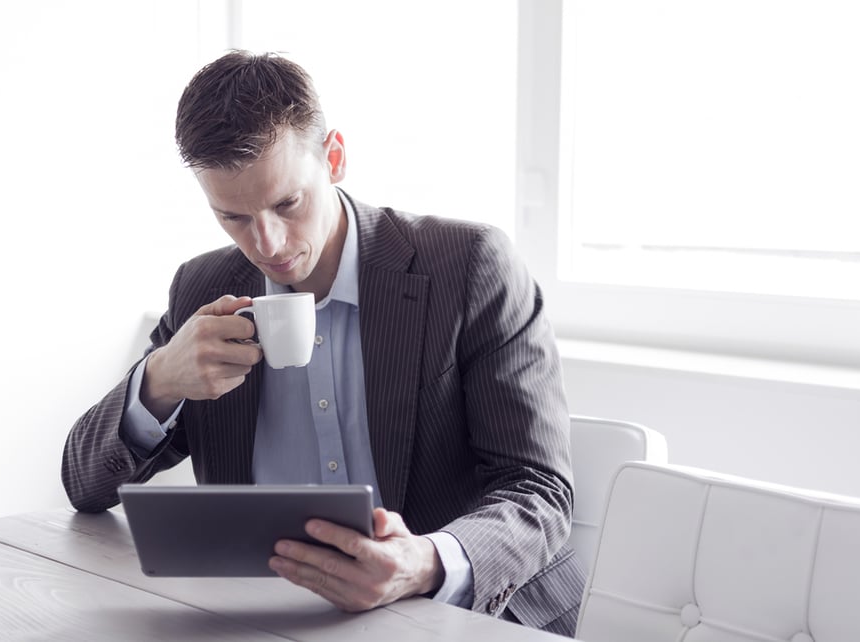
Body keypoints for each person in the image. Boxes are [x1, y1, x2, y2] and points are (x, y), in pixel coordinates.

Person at [61, 50, 583, 636]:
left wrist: (423, 562)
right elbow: (83, 485)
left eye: (287, 203)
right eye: (233, 217)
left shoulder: (468, 266)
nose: (267, 242)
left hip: (464, 617)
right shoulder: (203, 289)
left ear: (333, 157)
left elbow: (540, 492)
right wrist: (159, 381)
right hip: (275, 620)